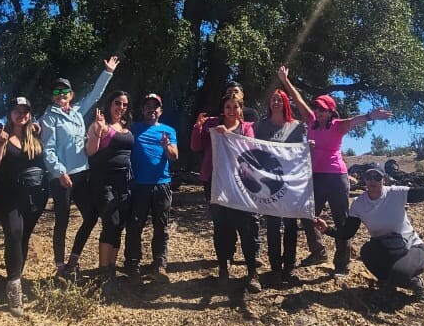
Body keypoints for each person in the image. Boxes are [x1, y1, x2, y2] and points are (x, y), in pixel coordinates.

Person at [277, 65, 393, 274]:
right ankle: (318, 252)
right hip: (316, 177)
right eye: (317, 108)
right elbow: (298, 98)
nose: (318, 112)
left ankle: (342, 265)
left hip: (337, 177)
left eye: (322, 109)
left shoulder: (338, 125)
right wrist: (285, 80)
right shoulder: (311, 121)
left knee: (342, 221)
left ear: (331, 112)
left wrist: (370, 116)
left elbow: (355, 121)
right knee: (307, 215)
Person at [319, 164, 424, 304]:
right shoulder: (359, 204)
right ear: (364, 179)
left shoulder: (396, 193)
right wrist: (327, 230)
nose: (372, 181)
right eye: (368, 177)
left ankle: (415, 283)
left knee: (399, 274)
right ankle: (387, 283)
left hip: (412, 247)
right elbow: (347, 233)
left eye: (377, 177)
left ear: (384, 179)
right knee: (367, 252)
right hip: (386, 249)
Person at [39, 56, 119, 277]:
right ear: (52, 96)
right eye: (56, 92)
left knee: (91, 217)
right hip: (62, 178)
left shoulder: (76, 112)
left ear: (71, 95)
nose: (61, 95)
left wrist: (108, 72)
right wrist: (60, 172)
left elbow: (95, 95)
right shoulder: (48, 118)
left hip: (82, 175)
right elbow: (48, 149)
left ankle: (73, 260)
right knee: (62, 221)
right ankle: (59, 268)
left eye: (64, 92)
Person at [61, 90, 134, 281]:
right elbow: (91, 151)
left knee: (119, 224)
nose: (121, 108)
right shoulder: (100, 125)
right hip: (103, 182)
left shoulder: (126, 126)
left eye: (125, 105)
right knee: (111, 222)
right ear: (110, 105)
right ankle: (103, 271)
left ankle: (111, 267)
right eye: (117, 103)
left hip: (124, 183)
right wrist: (98, 132)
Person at [190, 95, 261, 292]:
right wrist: (198, 127)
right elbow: (196, 146)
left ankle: (252, 272)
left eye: (234, 107)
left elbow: (250, 148)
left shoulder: (247, 128)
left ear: (241, 109)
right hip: (217, 183)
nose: (230, 110)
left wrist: (228, 135)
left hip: (241, 185)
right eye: (227, 107)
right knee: (221, 226)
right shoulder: (213, 126)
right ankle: (223, 268)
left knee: (247, 227)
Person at [0, 97, 48, 315]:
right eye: (17, 110)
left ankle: (15, 279)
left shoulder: (36, 136)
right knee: (13, 234)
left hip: (33, 198)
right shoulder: (2, 136)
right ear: (10, 113)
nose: (21, 114)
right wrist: (1, 144)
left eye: (25, 111)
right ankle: (14, 287)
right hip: (8, 196)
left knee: (23, 238)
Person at [253, 87, 317, 286]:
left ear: (285, 103)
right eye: (273, 99)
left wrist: (308, 147)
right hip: (269, 184)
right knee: (272, 227)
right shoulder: (260, 126)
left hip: (290, 185)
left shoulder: (296, 126)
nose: (276, 103)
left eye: (279, 100)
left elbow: (298, 154)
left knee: (290, 227)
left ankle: (288, 268)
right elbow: (250, 145)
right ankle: (275, 270)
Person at [123, 93, 178, 279]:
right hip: (138, 186)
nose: (151, 109)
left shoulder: (168, 131)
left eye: (155, 106)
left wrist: (166, 146)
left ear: (160, 111)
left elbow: (174, 156)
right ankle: (132, 263)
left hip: (161, 185)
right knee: (134, 225)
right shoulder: (133, 128)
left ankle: (159, 264)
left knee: (161, 226)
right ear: (143, 109)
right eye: (148, 106)